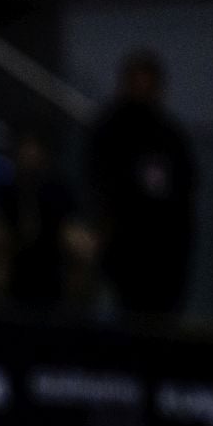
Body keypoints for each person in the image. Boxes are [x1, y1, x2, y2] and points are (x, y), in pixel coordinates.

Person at [85, 50, 196, 317]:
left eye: (147, 84)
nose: (141, 91)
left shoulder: (170, 136)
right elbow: (96, 183)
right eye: (135, 83)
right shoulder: (109, 131)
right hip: (122, 248)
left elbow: (186, 187)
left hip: (165, 251)